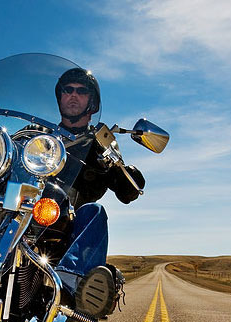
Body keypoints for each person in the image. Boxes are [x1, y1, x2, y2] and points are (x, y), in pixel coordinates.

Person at [51, 68, 145, 319]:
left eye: (82, 92)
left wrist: (119, 167)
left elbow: (128, 193)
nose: (73, 95)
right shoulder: (38, 134)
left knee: (94, 211)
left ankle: (70, 283)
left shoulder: (99, 145)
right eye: (67, 90)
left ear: (92, 103)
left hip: (67, 227)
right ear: (59, 96)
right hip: (21, 214)